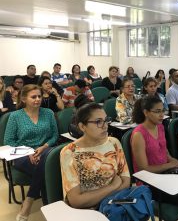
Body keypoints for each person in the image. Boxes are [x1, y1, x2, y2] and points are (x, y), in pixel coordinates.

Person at [60, 103, 130, 209]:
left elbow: (126, 181)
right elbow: (76, 201)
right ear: (82, 126)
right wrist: (113, 186)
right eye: (98, 122)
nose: (105, 125)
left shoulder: (114, 143)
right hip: (88, 212)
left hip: (116, 205)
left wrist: (96, 197)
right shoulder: (69, 152)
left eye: (106, 120)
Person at [4, 84, 58, 221]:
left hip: (45, 151)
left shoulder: (48, 113)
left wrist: (44, 147)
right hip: (23, 154)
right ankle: (52, 210)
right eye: (33, 97)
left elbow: (54, 136)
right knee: (48, 170)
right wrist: (28, 152)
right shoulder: (15, 116)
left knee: (46, 161)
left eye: (39, 96)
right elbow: (9, 140)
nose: (38, 99)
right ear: (23, 99)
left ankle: (28, 200)